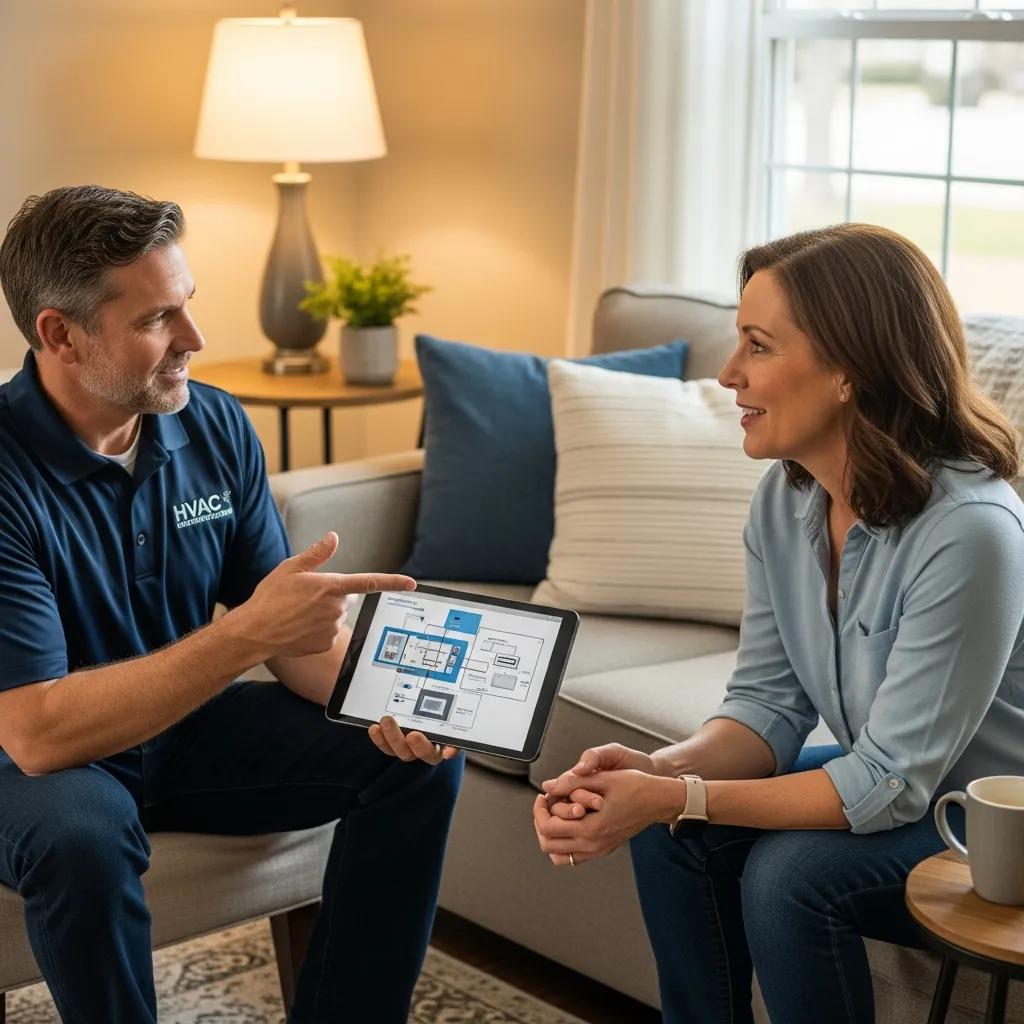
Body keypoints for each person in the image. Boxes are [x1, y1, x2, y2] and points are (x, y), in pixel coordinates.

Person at [533, 223, 1024, 1023]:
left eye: (757, 346)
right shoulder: (787, 497)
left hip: (998, 817)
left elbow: (891, 783)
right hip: (906, 775)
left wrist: (677, 795)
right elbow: (767, 707)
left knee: (788, 873)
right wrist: (661, 773)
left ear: (849, 372)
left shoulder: (971, 529)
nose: (728, 374)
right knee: (673, 833)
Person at [0, 184, 461, 1023]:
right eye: (153, 321)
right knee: (82, 837)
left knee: (417, 760)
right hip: (34, 763)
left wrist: (403, 702)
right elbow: (37, 734)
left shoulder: (212, 424)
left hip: (179, 733)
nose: (195, 341)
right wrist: (247, 634)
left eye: (188, 305)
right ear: (59, 334)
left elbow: (293, 644)